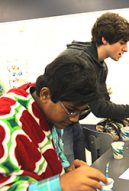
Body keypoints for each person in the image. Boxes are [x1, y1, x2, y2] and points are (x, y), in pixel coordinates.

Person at [61, 12, 129, 163]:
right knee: (69, 171)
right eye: (122, 42)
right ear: (105, 39)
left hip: (74, 123)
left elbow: (106, 106)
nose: (126, 49)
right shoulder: (79, 61)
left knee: (81, 168)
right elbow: (100, 109)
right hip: (59, 127)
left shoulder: (101, 66)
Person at [0, 53, 108, 190]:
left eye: (80, 112)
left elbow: (47, 155)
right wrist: (59, 184)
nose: (75, 119)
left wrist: (66, 171)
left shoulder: (42, 108)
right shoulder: (5, 123)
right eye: (71, 110)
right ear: (45, 95)